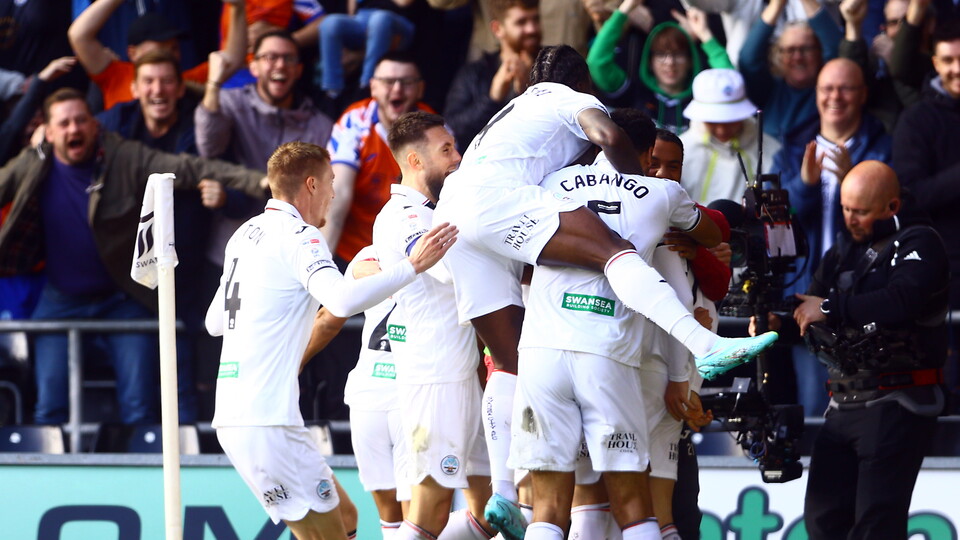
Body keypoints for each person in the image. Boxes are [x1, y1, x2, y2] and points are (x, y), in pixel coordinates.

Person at [434, 44, 778, 539]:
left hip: (466, 235)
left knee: (508, 366)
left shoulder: (549, 170)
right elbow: (610, 136)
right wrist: (630, 186)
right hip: (606, 353)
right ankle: (708, 345)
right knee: (613, 250)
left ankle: (505, 492)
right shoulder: (572, 107)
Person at [206, 141, 457, 540]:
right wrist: (412, 266)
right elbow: (339, 299)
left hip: (234, 418)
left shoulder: (243, 235)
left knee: (346, 517)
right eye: (330, 183)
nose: (335, 194)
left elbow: (215, 321)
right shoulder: (300, 236)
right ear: (310, 185)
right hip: (270, 421)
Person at [0, 88, 268, 426]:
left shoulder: (123, 155)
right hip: (60, 297)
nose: (74, 129)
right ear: (49, 132)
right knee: (48, 407)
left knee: (138, 408)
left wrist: (260, 181)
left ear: (95, 125)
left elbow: (190, 167)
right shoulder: (33, 162)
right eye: (64, 123)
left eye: (81, 120)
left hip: (121, 296)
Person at [511, 108, 719, 540]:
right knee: (631, 503)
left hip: (541, 350)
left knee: (548, 506)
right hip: (607, 353)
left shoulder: (552, 182)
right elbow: (713, 234)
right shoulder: (662, 192)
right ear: (646, 154)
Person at [769, 161, 948, 539]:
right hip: (841, 402)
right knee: (822, 520)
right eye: (847, 208)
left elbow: (903, 299)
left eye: (861, 211)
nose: (851, 218)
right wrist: (776, 325)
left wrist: (831, 307)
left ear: (892, 207)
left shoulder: (921, 242)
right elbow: (809, 309)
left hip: (898, 400)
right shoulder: (842, 252)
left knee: (875, 525)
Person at [373, 111, 501, 540]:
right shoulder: (403, 216)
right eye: (446, 150)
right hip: (434, 375)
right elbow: (445, 271)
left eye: (455, 146)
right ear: (413, 160)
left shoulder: (436, 210)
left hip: (467, 371)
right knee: (433, 506)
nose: (457, 157)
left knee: (493, 508)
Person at [775, 57, 892, 415]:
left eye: (846, 88)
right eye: (827, 88)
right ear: (816, 94)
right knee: (813, 407)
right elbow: (772, 217)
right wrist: (807, 186)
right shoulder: (793, 147)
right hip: (805, 294)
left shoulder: (881, 146)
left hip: (863, 296)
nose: (835, 96)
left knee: (865, 408)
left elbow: (892, 218)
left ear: (862, 95)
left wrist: (853, 179)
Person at [893, 19, 960, 408]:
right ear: (934, 61)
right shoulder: (917, 120)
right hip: (945, 277)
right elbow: (910, 196)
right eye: (949, 59)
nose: (957, 68)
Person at [322, 53, 435, 265]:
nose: (397, 89)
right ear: (373, 87)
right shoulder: (354, 122)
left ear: (420, 89)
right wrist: (323, 269)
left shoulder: (436, 131)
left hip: (410, 255)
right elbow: (338, 193)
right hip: (353, 252)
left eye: (407, 82)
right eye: (388, 81)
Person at [68, 0, 247, 111]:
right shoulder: (116, 75)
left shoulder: (186, 80)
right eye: (161, 48)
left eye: (174, 48)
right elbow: (79, 36)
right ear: (133, 53)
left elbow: (233, 59)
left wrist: (237, 8)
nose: (170, 54)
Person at [587, 0, 734, 133]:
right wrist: (625, 10)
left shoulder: (702, 96)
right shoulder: (635, 92)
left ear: (691, 61)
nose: (670, 62)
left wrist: (704, 34)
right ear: (650, 61)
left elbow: (731, 84)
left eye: (678, 54)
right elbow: (597, 63)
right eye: (661, 54)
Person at [444, 0, 542, 153]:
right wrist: (492, 99)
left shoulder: (557, 65)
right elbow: (452, 130)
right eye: (521, 22)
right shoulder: (474, 73)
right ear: (497, 29)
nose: (531, 29)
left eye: (536, 19)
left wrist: (529, 91)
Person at [738, 0, 842, 140]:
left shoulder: (831, 92)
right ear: (779, 56)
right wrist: (776, 5)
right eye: (789, 50)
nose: (798, 57)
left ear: (820, 53)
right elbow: (748, 59)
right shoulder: (768, 91)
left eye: (806, 49)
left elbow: (837, 51)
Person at [678, 68, 780, 205]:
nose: (721, 130)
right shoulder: (680, 150)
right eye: (712, 121)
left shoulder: (772, 149)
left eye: (730, 121)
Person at [319, 0, 417, 99]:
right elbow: (352, 11)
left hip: (395, 18)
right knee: (330, 22)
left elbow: (404, 3)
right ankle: (332, 90)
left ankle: (367, 88)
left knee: (379, 19)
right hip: (362, 17)